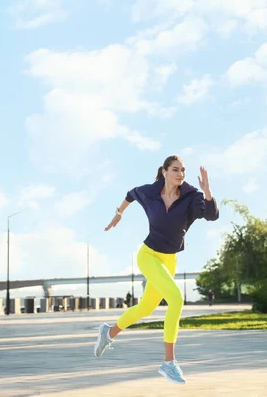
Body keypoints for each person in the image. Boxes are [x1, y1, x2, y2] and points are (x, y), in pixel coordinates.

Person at [94, 155, 219, 385]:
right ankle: (169, 363)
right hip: (148, 255)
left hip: (169, 260)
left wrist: (207, 191)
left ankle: (108, 332)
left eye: (183, 170)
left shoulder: (192, 197)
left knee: (145, 308)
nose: (180, 174)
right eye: (175, 169)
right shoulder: (150, 192)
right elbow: (131, 193)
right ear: (164, 171)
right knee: (176, 299)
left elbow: (211, 215)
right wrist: (119, 213)